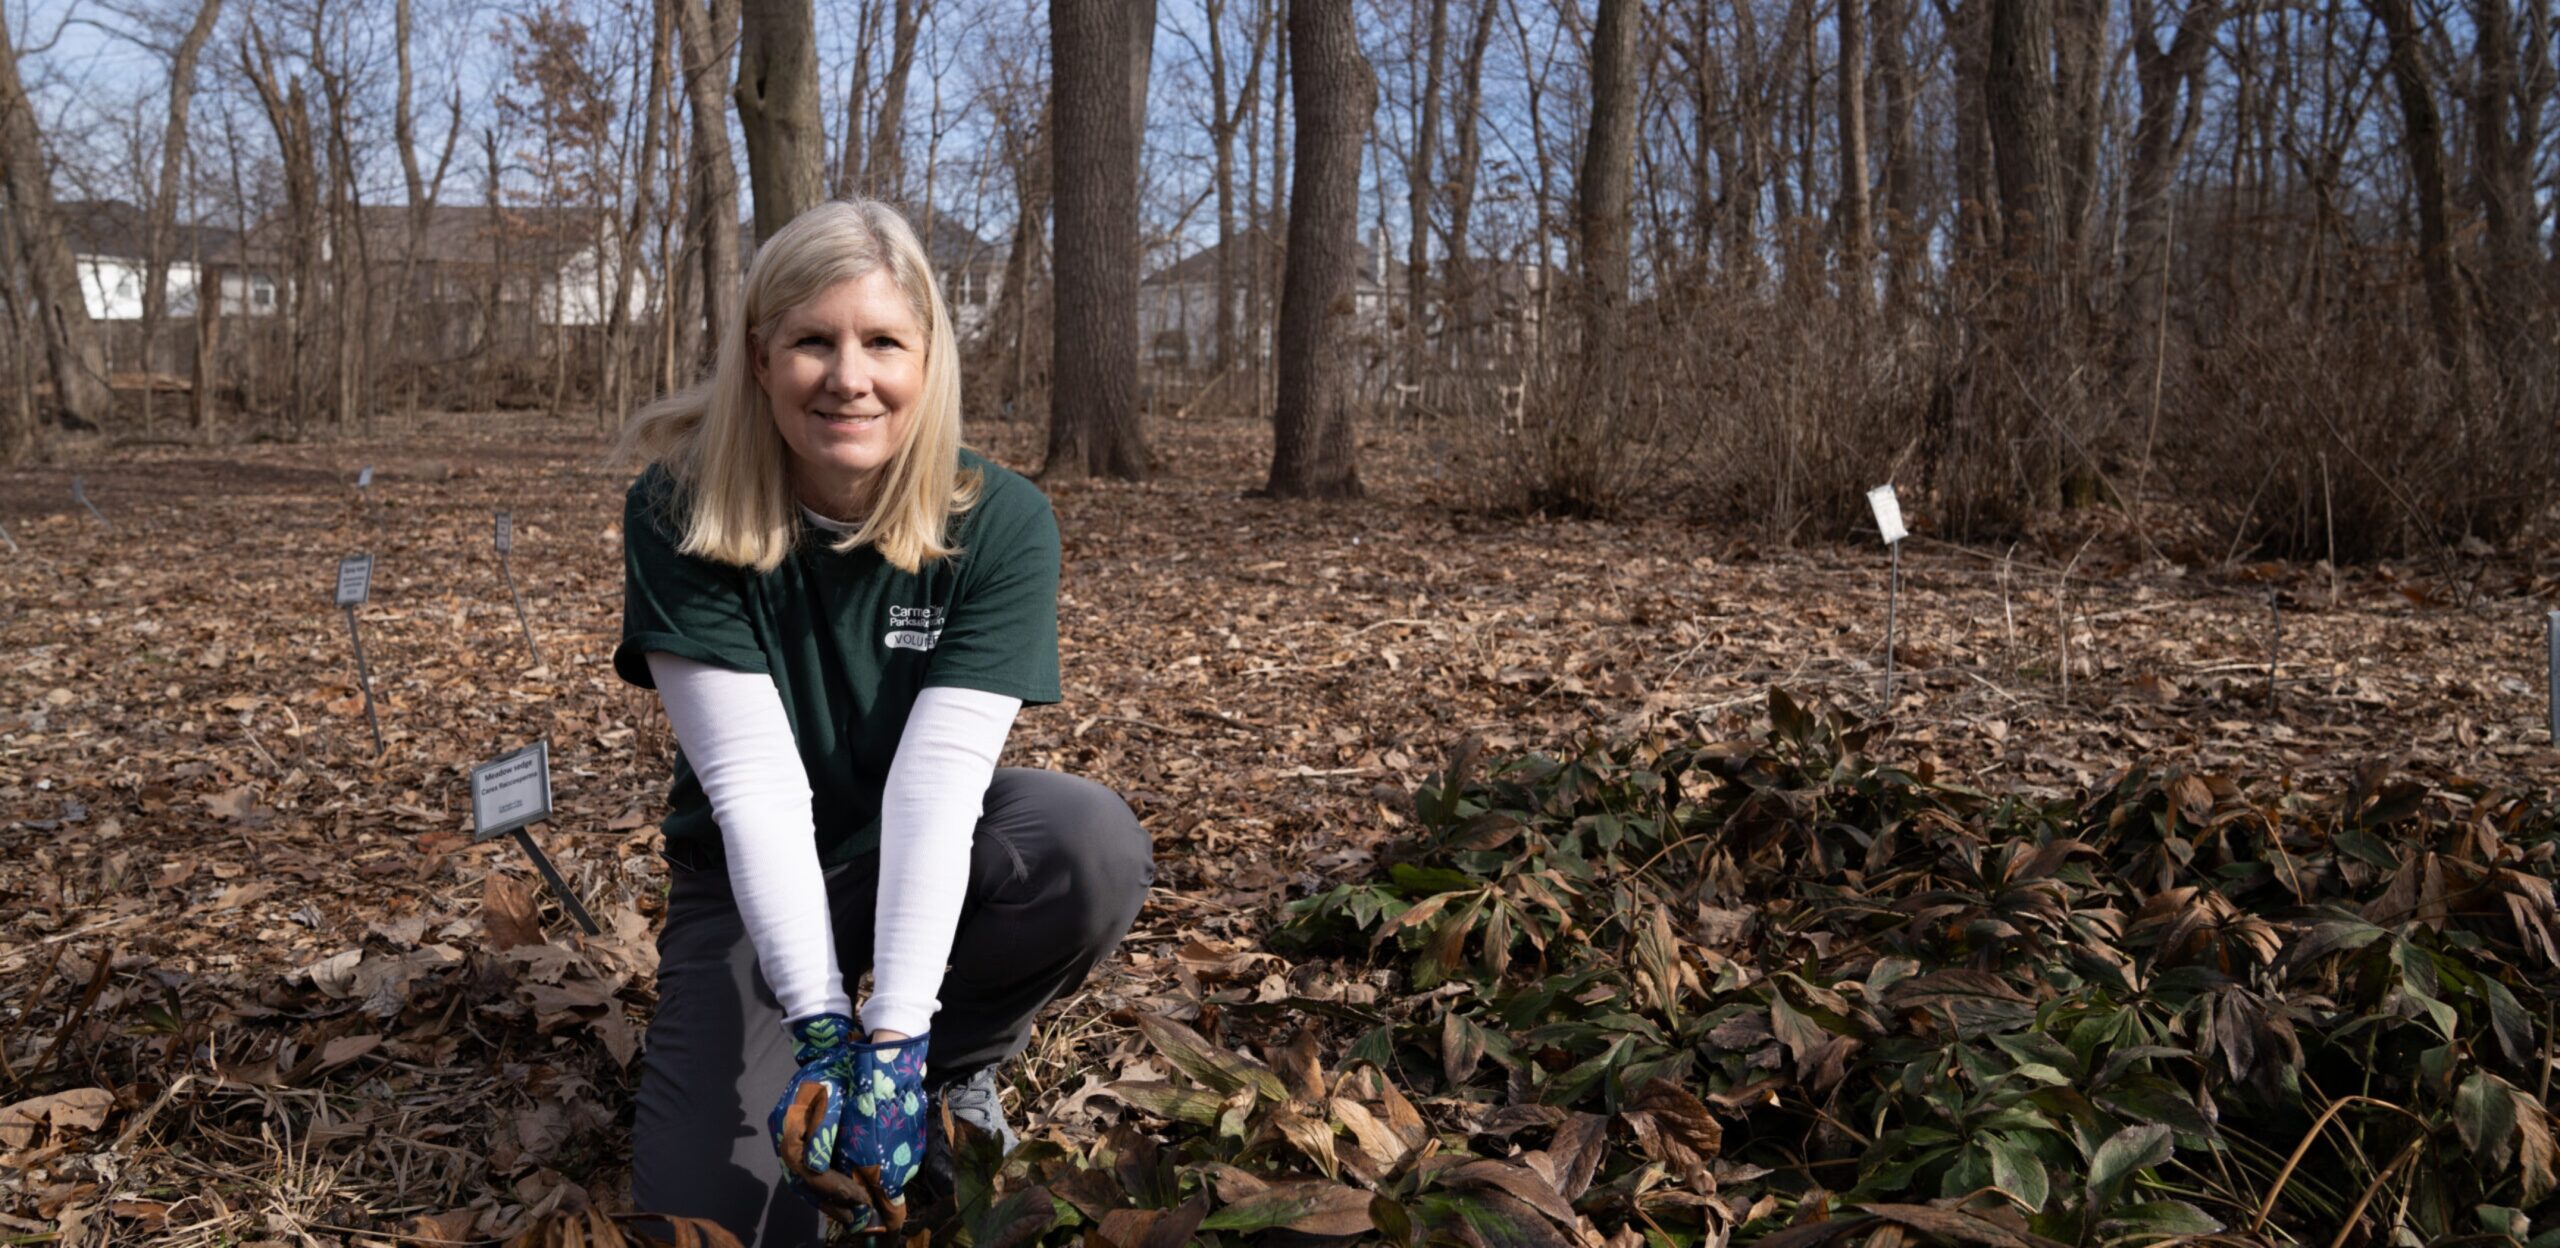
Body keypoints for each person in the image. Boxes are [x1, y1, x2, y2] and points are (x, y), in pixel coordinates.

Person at [612, 198, 1152, 1246]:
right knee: (720, 1220)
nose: (848, 377)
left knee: (1086, 845)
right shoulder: (679, 509)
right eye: (813, 340)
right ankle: (809, 1044)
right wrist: (822, 1030)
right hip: (748, 879)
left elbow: (938, 789)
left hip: (923, 851)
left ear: (929, 359)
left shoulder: (997, 521)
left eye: (882, 343)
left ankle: (955, 1063)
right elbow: (753, 789)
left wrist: (898, 1043)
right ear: (761, 357)